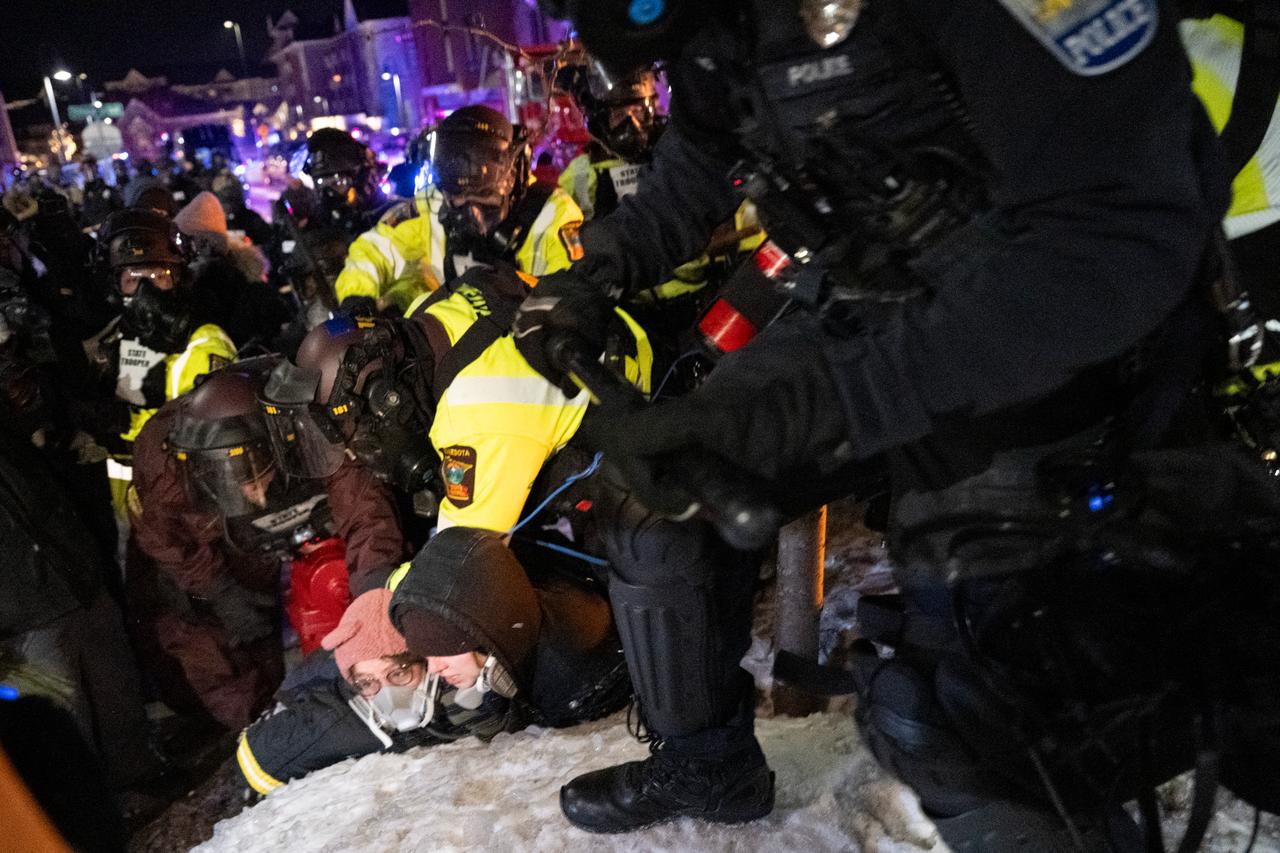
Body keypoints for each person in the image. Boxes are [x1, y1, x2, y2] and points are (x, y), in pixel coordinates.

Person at [513, 0, 1280, 846]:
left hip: (1041, 335)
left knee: (965, 716)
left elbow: (1115, 240)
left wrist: (832, 401)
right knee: (659, 501)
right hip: (865, 303)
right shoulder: (722, 25)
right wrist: (601, 270)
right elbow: (701, 153)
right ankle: (705, 763)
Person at [128, 361, 404, 730]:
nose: (254, 494)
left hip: (275, 526)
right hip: (211, 547)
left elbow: (364, 509)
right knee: (210, 642)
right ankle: (266, 730)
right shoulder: (163, 461)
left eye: (257, 475)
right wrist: (219, 591)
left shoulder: (310, 420)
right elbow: (164, 538)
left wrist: (374, 590)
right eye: (239, 482)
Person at [332, 105, 584, 316]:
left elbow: (574, 293)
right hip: (448, 340)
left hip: (524, 342)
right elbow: (374, 248)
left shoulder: (552, 212)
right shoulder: (434, 201)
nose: (469, 208)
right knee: (401, 292)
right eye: (457, 195)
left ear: (510, 173)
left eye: (483, 196)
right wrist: (356, 298)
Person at [557, 64, 664, 221]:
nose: (632, 124)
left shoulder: (670, 156)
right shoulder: (579, 175)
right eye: (619, 115)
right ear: (600, 121)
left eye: (638, 111)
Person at [302, 128, 395, 239]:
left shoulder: (393, 218)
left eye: (338, 183)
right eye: (321, 183)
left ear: (362, 179)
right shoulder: (314, 228)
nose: (329, 194)